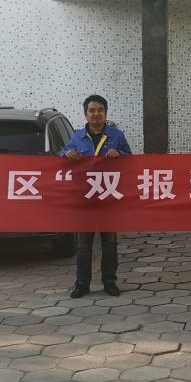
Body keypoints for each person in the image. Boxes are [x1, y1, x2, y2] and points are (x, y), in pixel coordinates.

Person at [62, 95, 131, 298]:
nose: (96, 114)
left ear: (106, 113)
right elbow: (62, 155)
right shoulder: (77, 137)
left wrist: (120, 155)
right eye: (92, 110)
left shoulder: (116, 136)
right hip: (85, 200)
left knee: (109, 243)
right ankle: (82, 284)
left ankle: (110, 282)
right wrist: (67, 154)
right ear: (85, 114)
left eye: (100, 110)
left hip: (108, 199)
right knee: (83, 245)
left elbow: (131, 160)